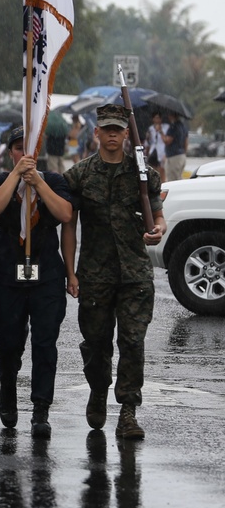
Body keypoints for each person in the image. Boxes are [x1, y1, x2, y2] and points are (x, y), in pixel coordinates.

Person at [62, 103, 165, 440]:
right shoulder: (80, 175)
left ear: (125, 134)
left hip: (135, 274)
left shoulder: (144, 175)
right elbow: (70, 226)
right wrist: (71, 272)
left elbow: (158, 215)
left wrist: (158, 230)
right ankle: (98, 391)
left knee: (133, 343)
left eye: (117, 130)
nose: (111, 135)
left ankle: (128, 411)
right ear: (96, 132)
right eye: (105, 128)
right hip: (95, 274)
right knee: (95, 345)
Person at [0, 127, 74, 438]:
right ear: (9, 152)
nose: (24, 152)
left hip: (46, 274)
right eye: (17, 147)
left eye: (30, 147)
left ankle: (41, 408)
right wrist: (17, 176)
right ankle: (8, 389)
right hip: (9, 275)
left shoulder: (54, 181)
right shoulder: (0, 181)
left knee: (44, 343)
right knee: (8, 343)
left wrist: (36, 181)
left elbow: (65, 214)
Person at [162, 111, 187, 183]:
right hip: (181, 155)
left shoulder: (173, 127)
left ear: (172, 115)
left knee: (172, 180)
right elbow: (186, 142)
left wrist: (160, 132)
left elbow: (167, 141)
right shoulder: (183, 126)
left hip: (173, 156)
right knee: (178, 178)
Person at [144, 111, 167, 181]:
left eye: (158, 118)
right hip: (153, 150)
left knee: (161, 169)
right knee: (152, 169)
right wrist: (148, 138)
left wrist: (160, 131)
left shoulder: (165, 127)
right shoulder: (150, 129)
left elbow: (166, 140)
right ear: (153, 119)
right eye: (155, 118)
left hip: (162, 151)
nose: (157, 120)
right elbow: (148, 143)